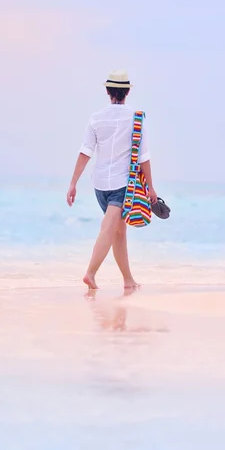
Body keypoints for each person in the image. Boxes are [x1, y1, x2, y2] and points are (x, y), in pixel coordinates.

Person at [67, 70, 157, 290]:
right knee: (109, 228)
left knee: (119, 230)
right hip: (121, 184)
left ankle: (128, 281)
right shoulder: (136, 118)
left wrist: (73, 183)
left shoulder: (96, 118)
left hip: (99, 184)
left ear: (108, 91)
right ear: (127, 92)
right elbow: (143, 157)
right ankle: (90, 273)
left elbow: (85, 151)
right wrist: (151, 188)